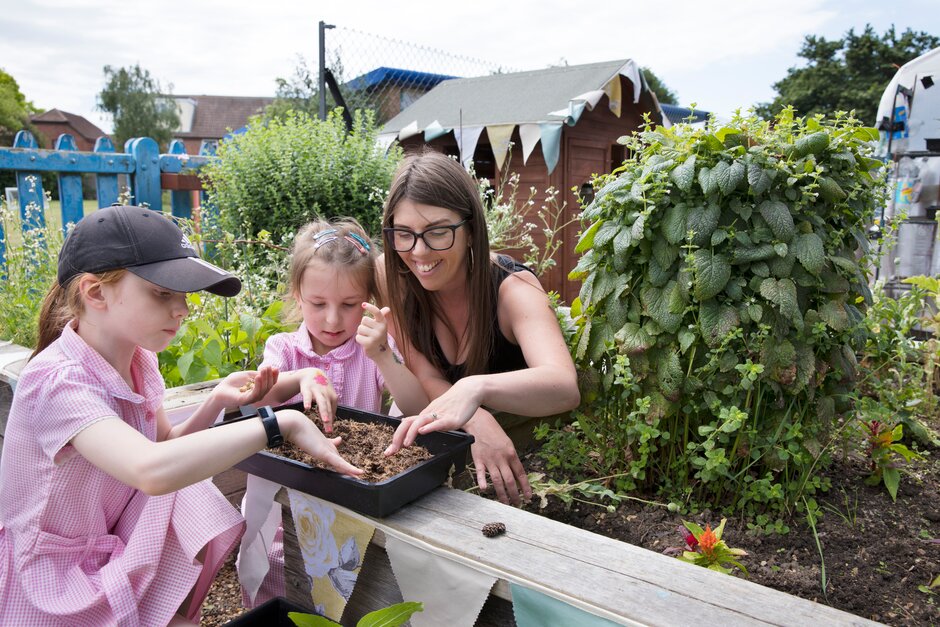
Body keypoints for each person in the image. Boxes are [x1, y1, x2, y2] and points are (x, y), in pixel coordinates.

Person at [0, 205, 362, 626]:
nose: (183, 310)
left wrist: (215, 402)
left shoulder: (138, 361)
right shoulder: (58, 381)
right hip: (48, 579)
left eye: (184, 295)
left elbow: (166, 446)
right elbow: (151, 470)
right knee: (177, 487)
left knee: (187, 490)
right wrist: (278, 424)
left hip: (103, 544)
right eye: (163, 293)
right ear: (95, 293)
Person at [237, 217, 428, 607]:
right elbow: (257, 403)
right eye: (318, 304)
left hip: (357, 489)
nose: (332, 320)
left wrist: (383, 357)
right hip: (289, 495)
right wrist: (291, 382)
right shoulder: (284, 349)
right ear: (297, 295)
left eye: (349, 305)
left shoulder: (371, 348)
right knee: (284, 575)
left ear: (369, 302)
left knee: (356, 585)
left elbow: (419, 409)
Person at [379, 151, 581, 505]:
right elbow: (422, 372)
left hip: (526, 461)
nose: (420, 252)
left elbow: (564, 386)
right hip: (450, 445)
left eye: (438, 232)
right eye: (404, 233)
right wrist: (474, 419)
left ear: (471, 229)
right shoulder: (391, 275)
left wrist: (477, 390)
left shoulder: (513, 290)